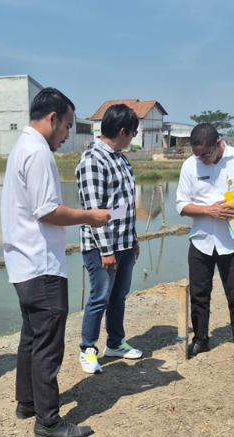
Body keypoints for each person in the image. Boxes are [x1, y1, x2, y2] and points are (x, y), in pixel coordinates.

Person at [1, 87, 109, 437]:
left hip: (23, 263)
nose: (67, 134)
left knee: (32, 336)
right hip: (41, 263)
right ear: (52, 119)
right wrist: (89, 217)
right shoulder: (39, 152)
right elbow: (47, 211)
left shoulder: (21, 148)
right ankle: (48, 421)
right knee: (48, 343)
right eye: (66, 126)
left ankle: (27, 400)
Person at [175, 123, 234, 364]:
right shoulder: (189, 165)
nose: (202, 159)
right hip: (201, 241)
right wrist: (208, 210)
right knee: (199, 295)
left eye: (206, 154)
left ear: (218, 143)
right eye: (197, 155)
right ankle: (201, 340)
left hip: (232, 241)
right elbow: (181, 205)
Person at [76, 104, 143, 375]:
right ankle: (87, 349)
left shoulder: (120, 157)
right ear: (123, 131)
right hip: (102, 247)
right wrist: (106, 251)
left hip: (125, 243)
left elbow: (124, 204)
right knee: (99, 297)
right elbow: (94, 212)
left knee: (119, 296)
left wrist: (134, 239)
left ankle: (115, 343)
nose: (133, 138)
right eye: (133, 133)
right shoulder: (93, 160)